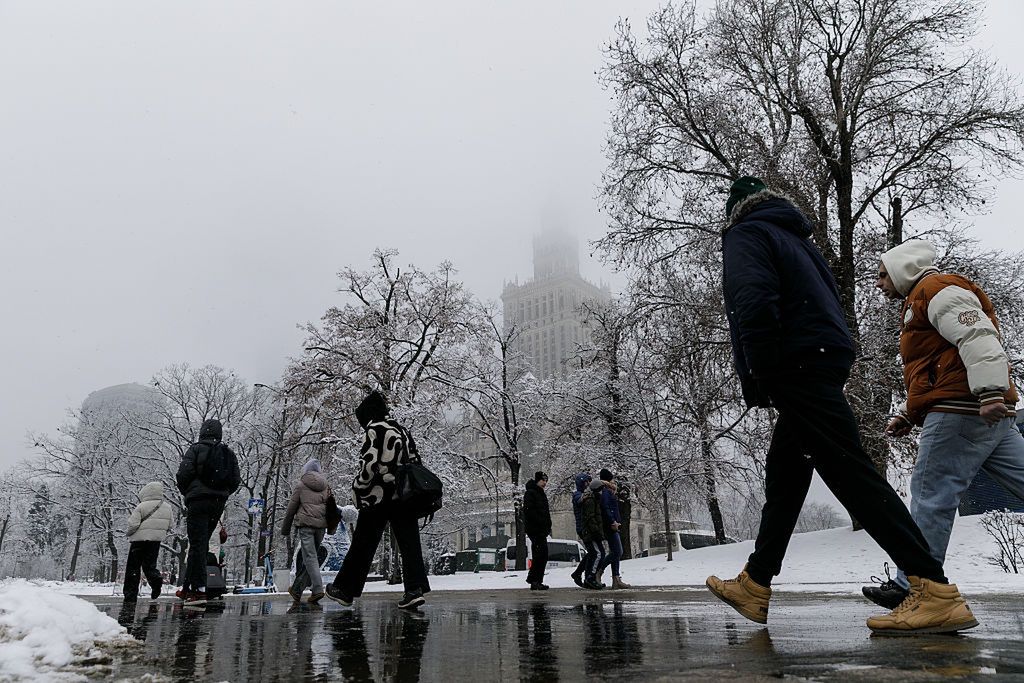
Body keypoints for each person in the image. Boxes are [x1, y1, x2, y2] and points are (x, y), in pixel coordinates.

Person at [706, 176, 977, 635]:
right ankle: (755, 582)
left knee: (850, 472)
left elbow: (752, 302)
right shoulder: (797, 241)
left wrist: (760, 372)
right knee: (787, 475)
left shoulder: (747, 233)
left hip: (795, 363)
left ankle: (933, 588)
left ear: (735, 210)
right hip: (822, 357)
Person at [863, 239, 1024, 608]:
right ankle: (914, 582)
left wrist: (990, 393)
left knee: (930, 496)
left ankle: (915, 586)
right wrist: (910, 412)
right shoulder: (925, 297)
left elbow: (978, 337)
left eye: (882, 274)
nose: (878, 283)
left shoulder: (937, 289)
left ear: (903, 269)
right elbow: (938, 368)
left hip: (961, 413)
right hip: (978, 412)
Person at [325, 391, 431, 610]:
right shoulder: (402, 430)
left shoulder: (375, 430)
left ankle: (345, 590)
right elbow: (415, 460)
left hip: (379, 495)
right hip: (403, 494)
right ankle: (414, 590)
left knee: (363, 542)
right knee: (410, 543)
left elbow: (369, 465)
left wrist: (358, 487)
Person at [175, 418, 241, 606]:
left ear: (203, 432)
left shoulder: (195, 449)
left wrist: (189, 493)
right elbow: (235, 480)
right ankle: (188, 586)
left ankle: (199, 589)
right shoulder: (227, 452)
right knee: (201, 543)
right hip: (217, 504)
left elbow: (182, 475)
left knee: (197, 544)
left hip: (198, 501)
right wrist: (222, 493)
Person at [281, 458, 336, 604]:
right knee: (310, 559)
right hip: (321, 527)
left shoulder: (301, 485)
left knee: (310, 558)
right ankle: (297, 590)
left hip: (306, 526)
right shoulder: (326, 487)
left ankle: (318, 589)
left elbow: (291, 508)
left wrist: (285, 529)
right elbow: (332, 508)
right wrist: (331, 528)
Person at [123, 481, 172, 601]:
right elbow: (170, 525)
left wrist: (129, 533)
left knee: (133, 567)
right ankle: (156, 580)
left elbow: (133, 524)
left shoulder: (142, 506)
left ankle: (130, 594)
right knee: (149, 566)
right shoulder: (167, 507)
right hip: (155, 541)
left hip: (139, 541)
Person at [595, 469, 631, 589]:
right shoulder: (606, 492)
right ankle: (600, 571)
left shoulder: (608, 491)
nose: (614, 481)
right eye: (612, 479)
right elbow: (605, 508)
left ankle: (616, 579)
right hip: (610, 526)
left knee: (615, 552)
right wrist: (613, 521)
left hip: (613, 525)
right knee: (618, 552)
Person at [576, 475, 607, 589]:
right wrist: (596, 531)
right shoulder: (590, 500)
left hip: (592, 532)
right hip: (591, 533)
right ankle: (591, 577)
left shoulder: (594, 499)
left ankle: (590, 577)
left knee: (599, 554)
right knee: (597, 554)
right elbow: (590, 518)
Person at [523, 471, 552, 590]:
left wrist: (547, 525)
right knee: (540, 554)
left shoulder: (540, 493)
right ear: (537, 480)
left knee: (542, 555)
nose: (544, 483)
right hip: (535, 530)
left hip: (541, 529)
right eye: (543, 480)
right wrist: (540, 523)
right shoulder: (531, 493)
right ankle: (535, 580)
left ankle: (536, 580)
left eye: (546, 480)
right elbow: (530, 512)